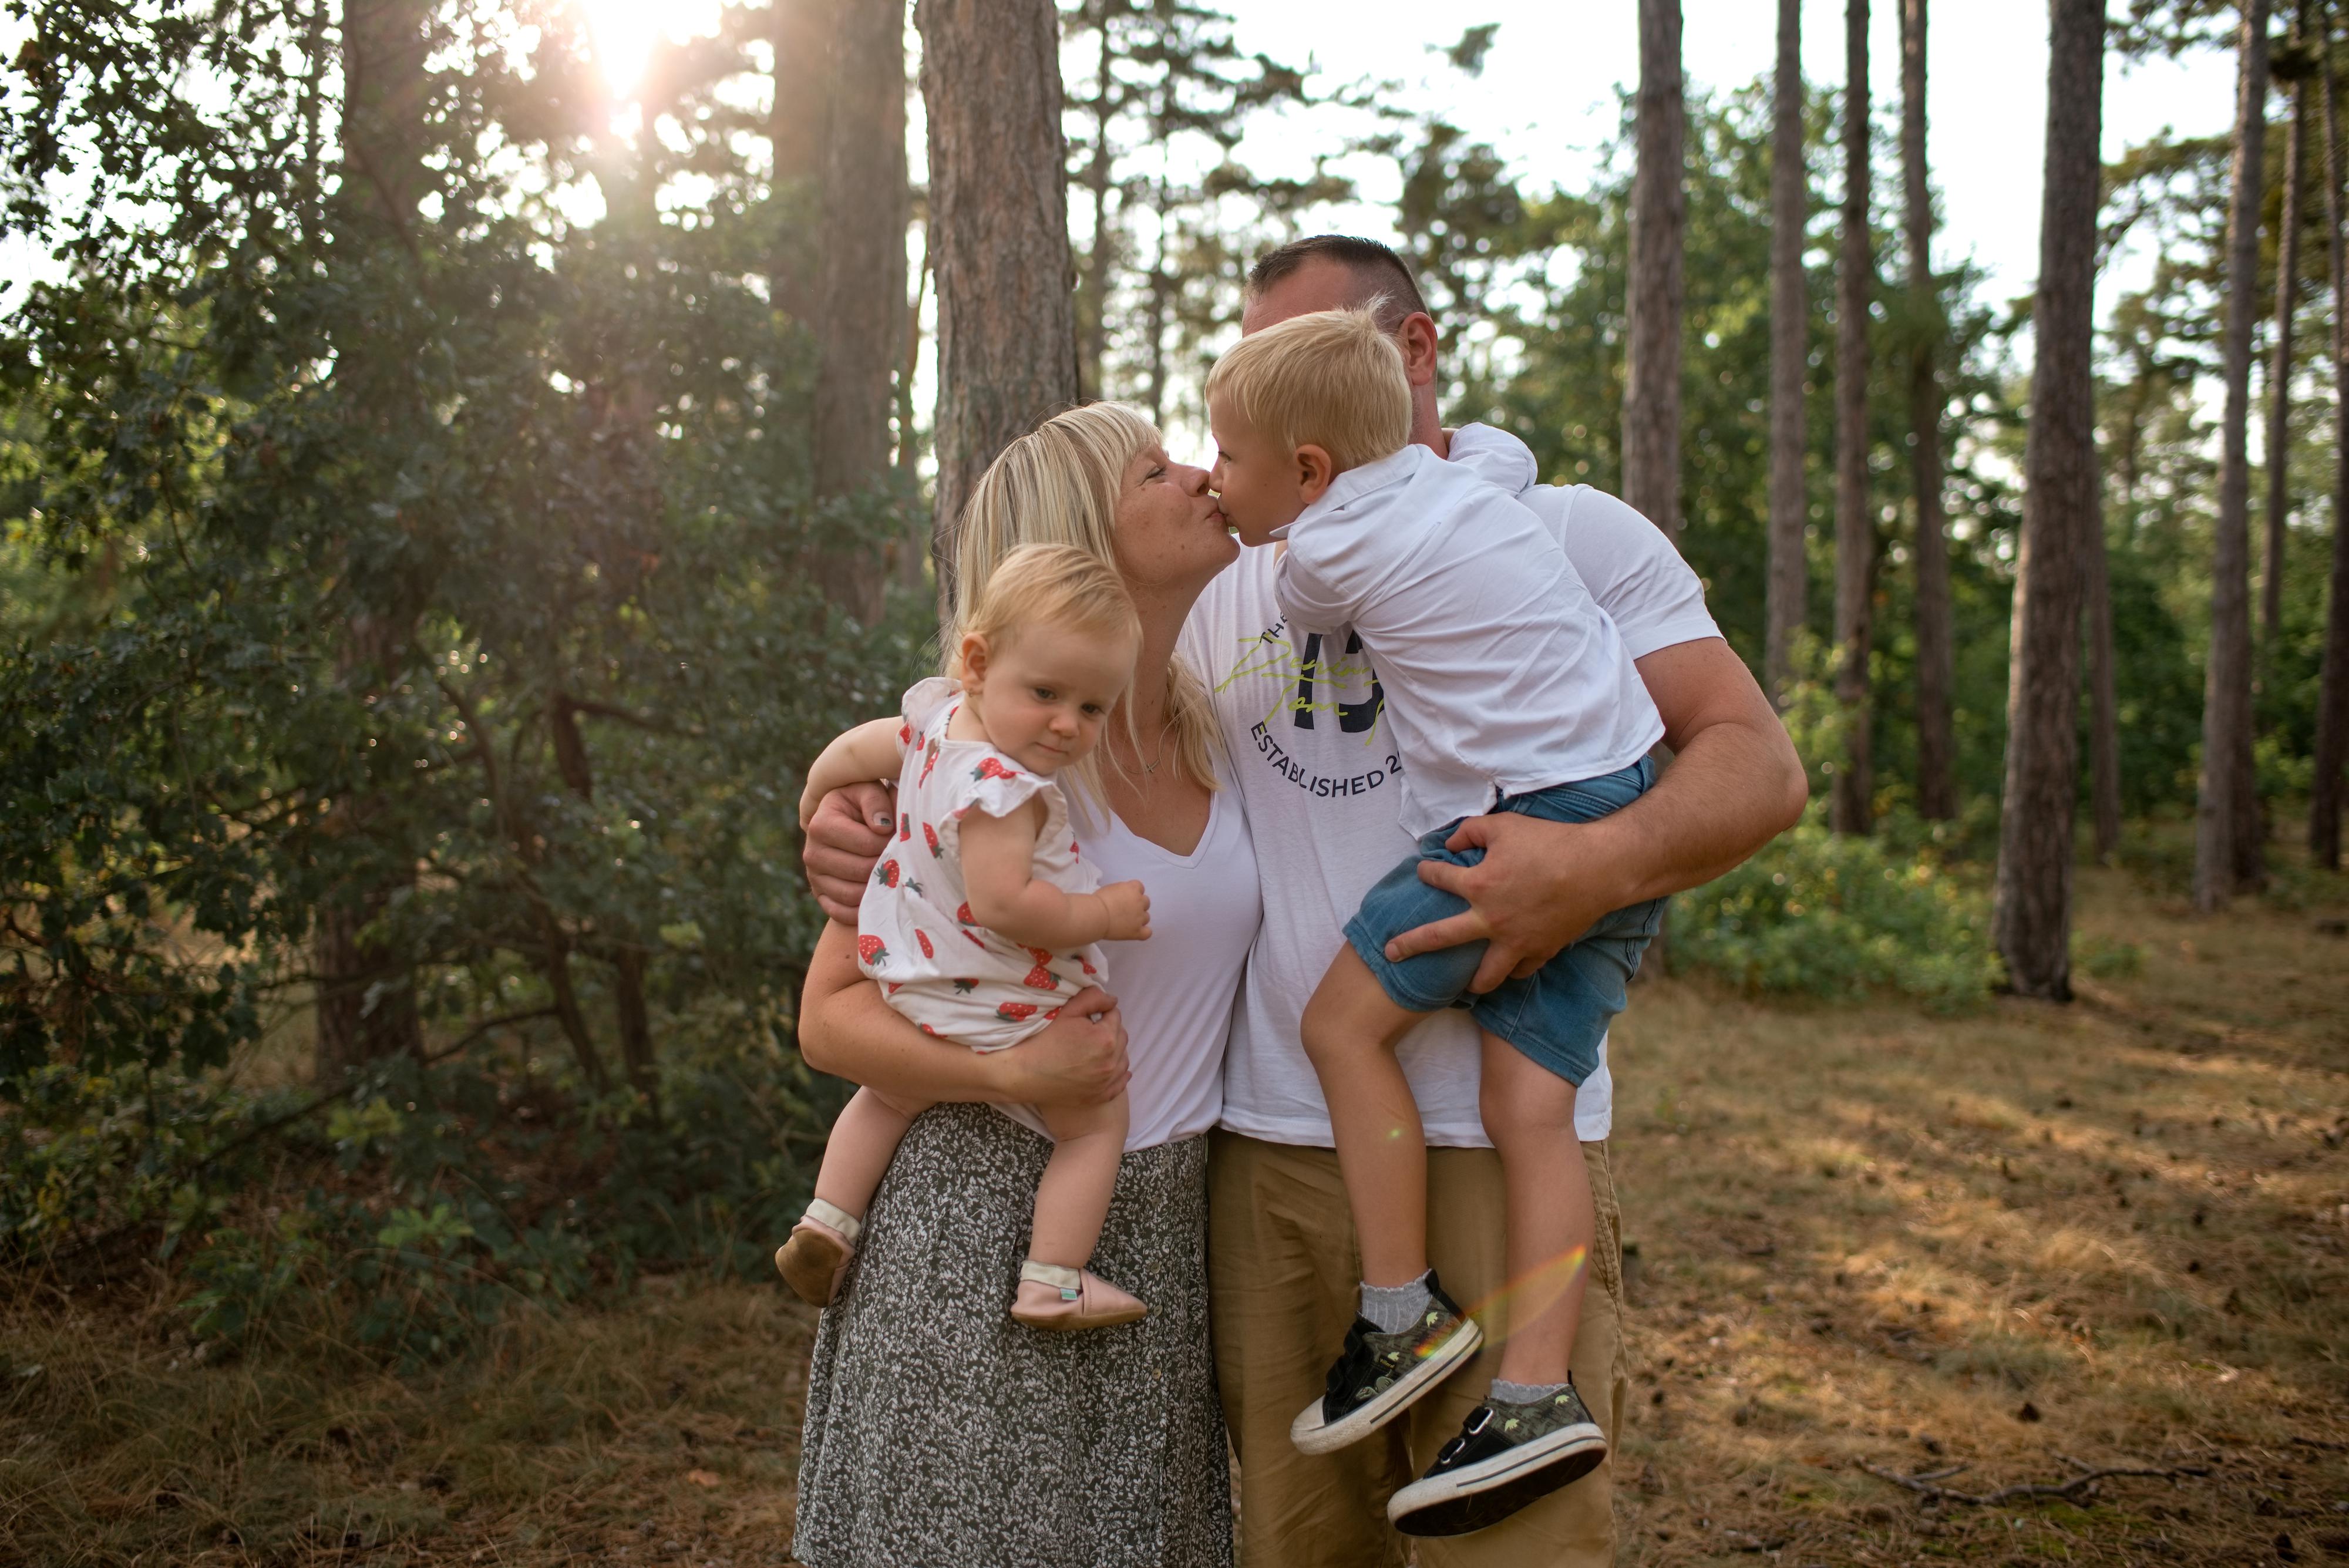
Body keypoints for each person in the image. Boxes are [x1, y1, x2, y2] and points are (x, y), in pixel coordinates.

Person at [803, 235, 1806, 1567]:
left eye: (1298, 365)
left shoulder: (1563, 532)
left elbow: (1757, 765)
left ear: (1409, 350)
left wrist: (1591, 868)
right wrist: (837, 804)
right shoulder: (1229, 582)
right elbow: (991, 711)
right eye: (1234, 394)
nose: (1250, 434)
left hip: (1485, 1142)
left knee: (1511, 1546)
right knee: (1289, 1546)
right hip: (1258, 1158)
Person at [1203, 304, 1664, 1536]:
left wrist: (1281, 526)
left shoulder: (1310, 564)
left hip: (1518, 824)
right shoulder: (1485, 484)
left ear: (1306, 471)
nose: (1214, 481)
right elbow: (1494, 453)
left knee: (1343, 1029)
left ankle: (1398, 1312)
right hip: (1615, 785)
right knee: (1535, 1108)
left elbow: (1298, 591)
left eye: (1229, 457)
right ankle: (1531, 1395)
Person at [790, 403, 1253, 1568]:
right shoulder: (977, 761)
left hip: (1159, 1226)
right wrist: (1004, 1070)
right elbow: (831, 1021)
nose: (1199, 475)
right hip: (972, 1219)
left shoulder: (1215, 732)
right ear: (1081, 537)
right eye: (1156, 470)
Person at [778, 544, 1157, 1329]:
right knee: (1096, 1123)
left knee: (887, 1093)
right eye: (1047, 693)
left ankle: (826, 1219)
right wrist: (1106, 915)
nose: (1065, 724)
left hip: (909, 974)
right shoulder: (1004, 788)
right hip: (1003, 999)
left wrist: (818, 793)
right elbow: (1006, 905)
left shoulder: (933, 725)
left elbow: (857, 748)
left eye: (1092, 708)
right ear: (979, 662)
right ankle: (1052, 1278)